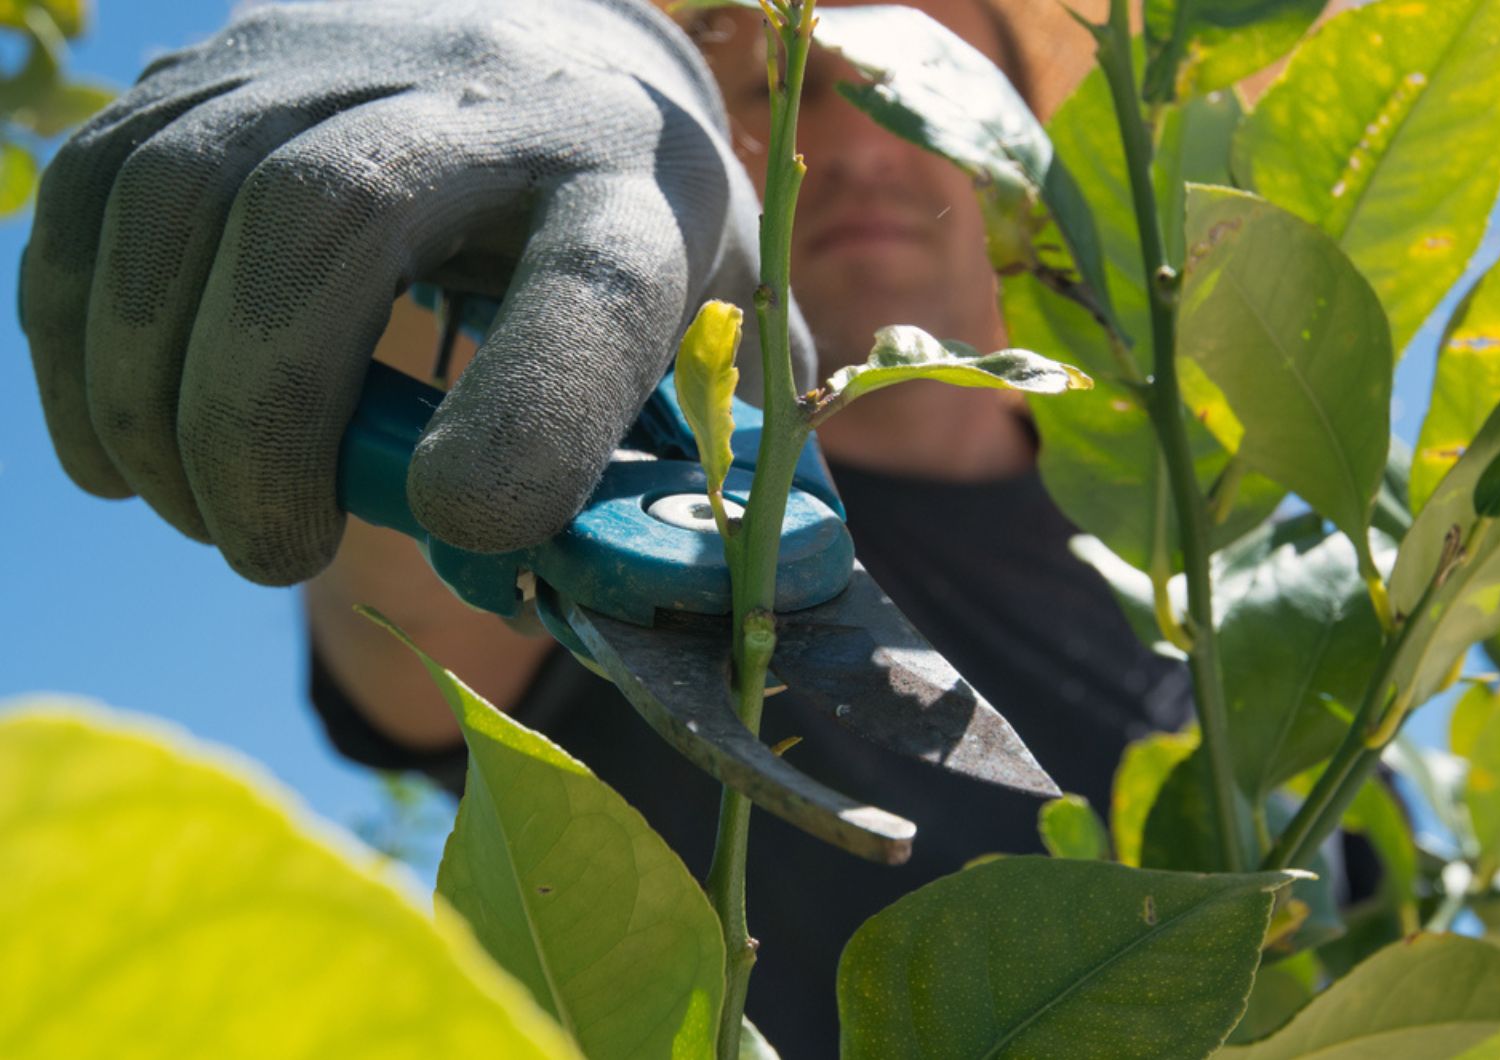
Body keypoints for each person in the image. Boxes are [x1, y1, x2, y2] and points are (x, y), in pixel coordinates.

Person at [21, 0, 1188, 1050]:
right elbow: (412, 577)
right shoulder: (591, 439)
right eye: (765, 94)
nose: (845, 147)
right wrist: (448, 104)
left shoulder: (1211, 593)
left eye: (902, 95)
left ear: (1018, 163)